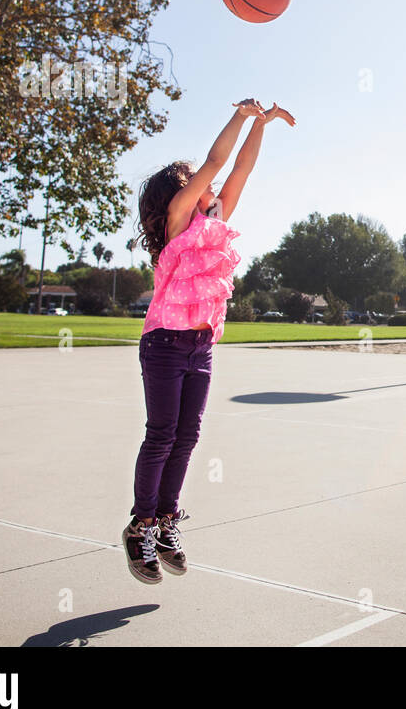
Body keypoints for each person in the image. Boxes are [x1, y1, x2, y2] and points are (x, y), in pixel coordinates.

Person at [122, 98, 295, 584]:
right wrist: (240, 116)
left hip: (200, 348)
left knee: (188, 436)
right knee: (161, 435)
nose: (211, 187)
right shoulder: (177, 222)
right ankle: (141, 526)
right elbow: (218, 161)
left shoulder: (216, 219)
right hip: (163, 343)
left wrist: (262, 126)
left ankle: (167, 520)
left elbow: (240, 167)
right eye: (199, 184)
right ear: (182, 193)